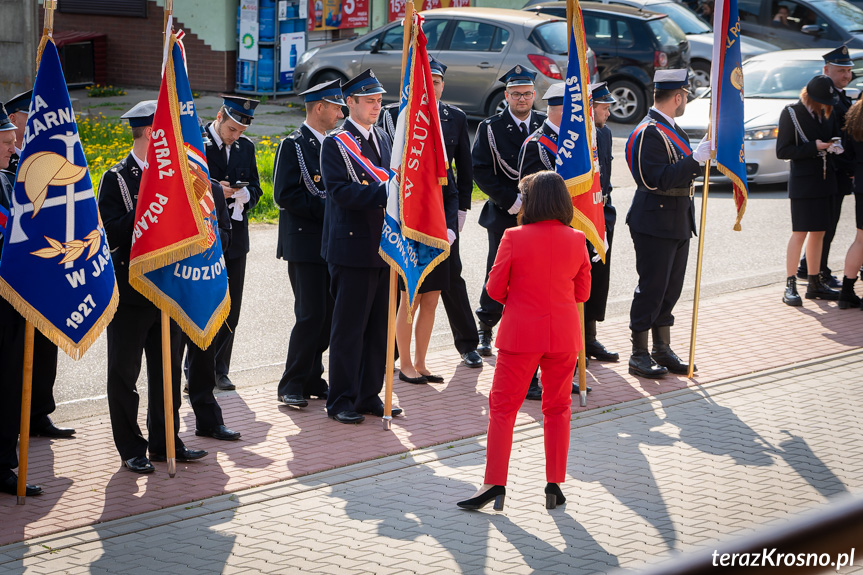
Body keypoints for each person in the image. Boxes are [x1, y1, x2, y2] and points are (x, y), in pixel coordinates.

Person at [457, 171, 591, 511]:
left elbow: (494, 290)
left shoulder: (513, 237)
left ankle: (495, 483)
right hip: (562, 334)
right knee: (558, 408)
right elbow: (583, 292)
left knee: (503, 409)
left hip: (521, 335)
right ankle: (554, 484)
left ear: (531, 202)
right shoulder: (578, 239)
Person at [98, 101, 208, 473]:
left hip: (167, 290)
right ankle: (130, 447)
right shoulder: (116, 178)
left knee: (167, 374)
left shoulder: (173, 176)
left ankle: (166, 443)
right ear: (150, 133)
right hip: (130, 295)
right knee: (124, 377)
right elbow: (110, 233)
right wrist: (149, 199)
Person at [378, 56, 483, 370]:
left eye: (436, 82)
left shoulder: (455, 116)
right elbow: (387, 165)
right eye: (426, 81)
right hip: (406, 213)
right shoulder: (396, 114)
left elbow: (464, 169)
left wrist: (460, 212)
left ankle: (465, 344)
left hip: (443, 215)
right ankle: (398, 355)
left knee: (447, 282)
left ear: (442, 85)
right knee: (405, 289)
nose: (431, 87)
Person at [320, 69, 402, 424]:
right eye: (368, 100)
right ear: (349, 102)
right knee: (349, 329)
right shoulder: (335, 142)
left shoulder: (385, 137)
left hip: (385, 247)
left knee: (379, 329)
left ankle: (369, 394)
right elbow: (341, 192)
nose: (375, 106)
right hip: (352, 248)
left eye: (378, 100)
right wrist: (385, 192)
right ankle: (341, 399)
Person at [625, 69, 708, 379]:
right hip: (655, 220)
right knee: (651, 288)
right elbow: (654, 180)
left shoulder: (671, 128)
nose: (685, 99)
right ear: (677, 97)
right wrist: (694, 161)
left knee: (670, 289)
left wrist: (696, 162)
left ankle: (662, 348)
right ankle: (639, 353)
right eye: (685, 95)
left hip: (677, 219)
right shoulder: (650, 132)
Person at [2, 90, 73, 439]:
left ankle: (39, 412)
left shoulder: (43, 157)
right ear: (14, 119)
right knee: (13, 356)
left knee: (44, 345)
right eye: (30, 118)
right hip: (15, 276)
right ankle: (15, 422)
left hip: (41, 267)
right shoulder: (11, 163)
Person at [273, 79, 344, 407]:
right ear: (319, 108)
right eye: (336, 106)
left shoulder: (333, 143)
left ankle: (313, 377)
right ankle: (292, 382)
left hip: (329, 242)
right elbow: (284, 195)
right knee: (311, 314)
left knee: (328, 316)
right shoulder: (295, 144)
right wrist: (331, 208)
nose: (341, 112)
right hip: (304, 243)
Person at [472, 65, 545, 376]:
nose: (522, 99)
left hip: (540, 214)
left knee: (537, 275)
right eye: (516, 94)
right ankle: (486, 326)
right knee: (498, 270)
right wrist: (510, 199)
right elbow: (481, 170)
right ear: (506, 96)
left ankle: (533, 330)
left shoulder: (545, 124)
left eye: (527, 94)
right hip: (505, 213)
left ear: (534, 94)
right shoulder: (491, 128)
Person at [516, 82, 574, 400]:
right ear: (557, 108)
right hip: (541, 236)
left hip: (566, 233)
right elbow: (526, 191)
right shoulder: (536, 143)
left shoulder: (575, 142)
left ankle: (560, 373)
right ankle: (529, 379)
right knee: (538, 311)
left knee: (560, 309)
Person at [183, 128, 240, 443]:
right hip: (173, 287)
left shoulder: (214, 190)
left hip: (203, 284)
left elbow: (226, 234)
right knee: (168, 359)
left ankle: (208, 421)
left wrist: (207, 244)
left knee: (203, 358)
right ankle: (163, 430)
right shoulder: (170, 190)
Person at [205, 96, 263, 392]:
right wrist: (218, 191)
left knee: (232, 307)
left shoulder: (246, 147)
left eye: (240, 130)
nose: (236, 135)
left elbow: (257, 187)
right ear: (219, 117)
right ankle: (197, 371)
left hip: (236, 239)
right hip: (206, 237)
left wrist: (243, 195)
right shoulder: (197, 144)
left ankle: (220, 368)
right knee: (205, 305)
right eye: (231, 129)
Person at [0, 104, 42, 495]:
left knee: (10, 386)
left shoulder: (8, 179)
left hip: (10, 302)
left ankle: (4, 465)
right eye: (8, 143)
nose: (15, 150)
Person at [777, 75, 843, 305]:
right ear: (811, 97)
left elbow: (834, 134)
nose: (827, 105)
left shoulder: (827, 111)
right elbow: (783, 151)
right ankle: (791, 283)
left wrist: (836, 145)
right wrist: (812, 147)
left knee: (820, 232)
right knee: (801, 232)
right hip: (804, 183)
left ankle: (815, 282)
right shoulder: (791, 113)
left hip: (826, 180)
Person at [798, 46, 855, 289]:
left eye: (848, 70)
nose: (846, 75)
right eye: (840, 70)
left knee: (828, 224)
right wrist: (849, 167)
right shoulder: (825, 101)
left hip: (838, 171)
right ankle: (817, 270)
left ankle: (810, 267)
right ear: (826, 70)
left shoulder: (842, 98)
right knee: (825, 226)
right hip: (832, 169)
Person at [584, 82, 620, 364]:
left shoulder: (604, 134)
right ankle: (577, 339)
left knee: (599, 277)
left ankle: (590, 338)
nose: (608, 113)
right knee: (580, 277)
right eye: (603, 107)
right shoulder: (579, 136)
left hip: (603, 211)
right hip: (582, 215)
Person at [838, 97, 863, 308]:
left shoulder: (856, 114)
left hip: (861, 182)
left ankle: (846, 291)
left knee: (860, 238)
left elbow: (846, 152)